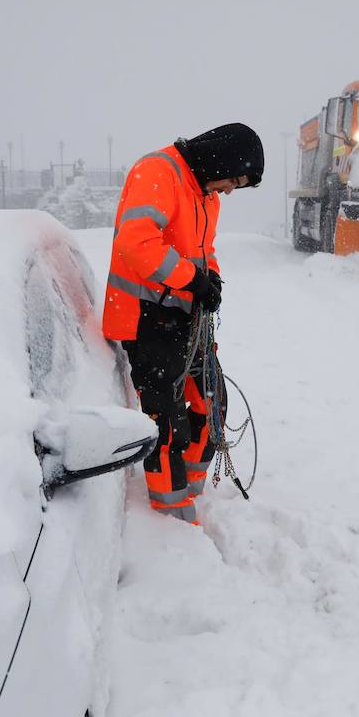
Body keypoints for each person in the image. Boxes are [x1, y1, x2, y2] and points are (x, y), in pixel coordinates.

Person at [101, 122, 264, 525]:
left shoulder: (206, 194)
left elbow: (203, 251)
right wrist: (193, 279)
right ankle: (170, 516)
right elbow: (135, 242)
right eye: (233, 180)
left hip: (186, 318)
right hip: (146, 318)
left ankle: (191, 491)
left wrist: (212, 279)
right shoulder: (158, 172)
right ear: (220, 160)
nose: (229, 190)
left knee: (213, 403)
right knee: (167, 419)